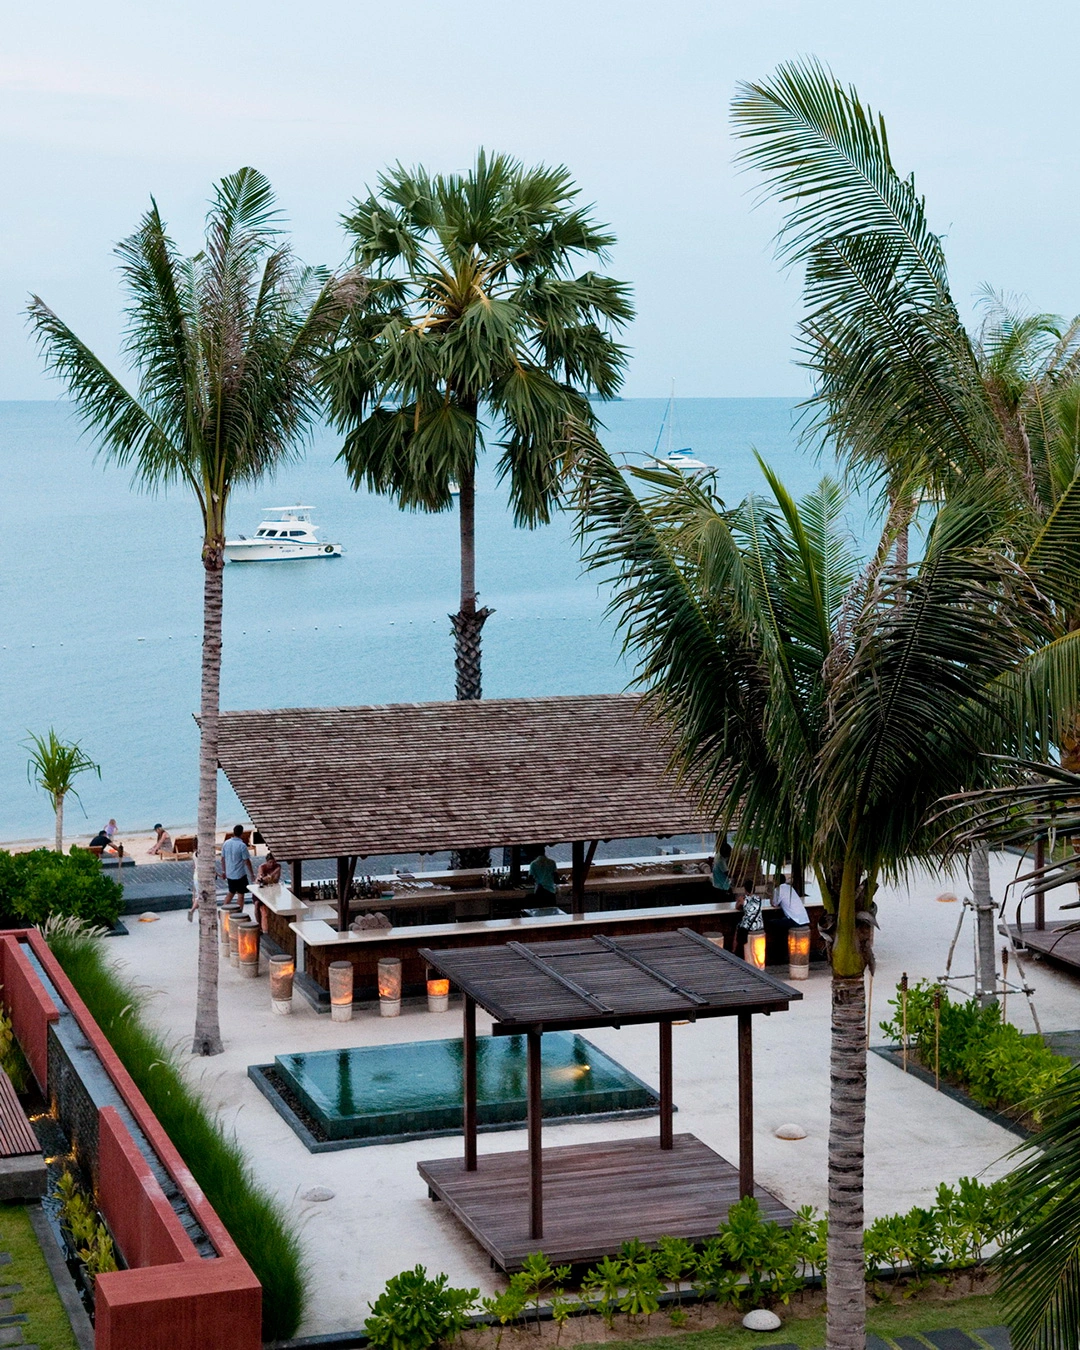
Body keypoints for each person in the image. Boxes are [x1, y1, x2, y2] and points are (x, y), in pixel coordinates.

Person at [219, 825, 255, 907]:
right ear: (241, 833)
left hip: (230, 873)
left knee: (231, 892)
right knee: (241, 894)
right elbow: (247, 861)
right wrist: (252, 874)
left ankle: (224, 908)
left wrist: (224, 871)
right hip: (240, 874)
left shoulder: (226, 843)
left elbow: (222, 859)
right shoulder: (242, 845)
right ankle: (239, 911)